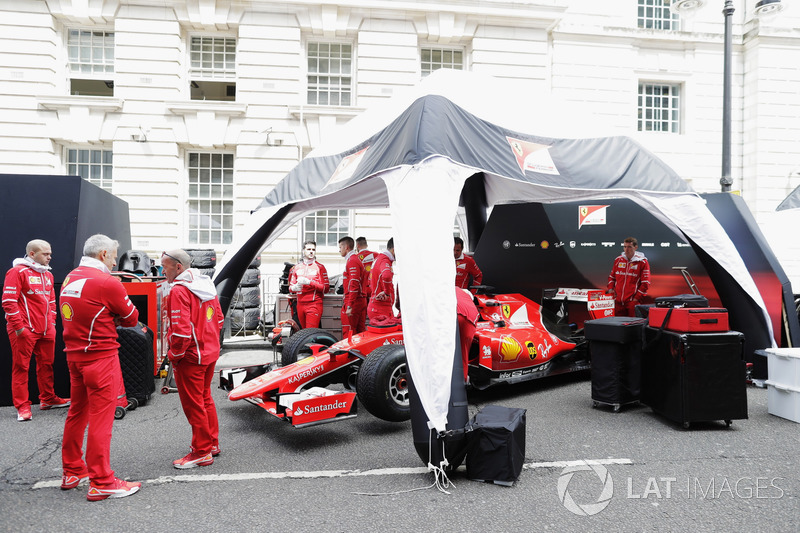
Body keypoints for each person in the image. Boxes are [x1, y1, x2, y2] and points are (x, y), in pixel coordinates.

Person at [59, 234, 141, 500]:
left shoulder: (71, 276)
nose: (116, 260)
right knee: (101, 419)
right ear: (104, 254)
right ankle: (102, 481)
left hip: (74, 355)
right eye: (115, 255)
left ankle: (72, 471)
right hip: (100, 357)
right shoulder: (108, 282)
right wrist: (113, 317)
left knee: (77, 413)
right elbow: (132, 318)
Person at [161, 249, 224, 469]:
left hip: (190, 356)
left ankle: (201, 452)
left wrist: (173, 355)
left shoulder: (179, 290)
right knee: (205, 399)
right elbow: (219, 319)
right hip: (209, 352)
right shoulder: (205, 283)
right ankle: (211, 444)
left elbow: (180, 332)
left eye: (165, 266)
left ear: (178, 267)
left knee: (194, 404)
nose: (161, 270)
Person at [3, 239, 69, 421]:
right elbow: (8, 302)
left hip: (46, 330)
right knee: (21, 368)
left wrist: (52, 324)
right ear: (32, 254)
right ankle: (22, 407)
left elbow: (52, 302)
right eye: (45, 254)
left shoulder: (48, 275)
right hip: (23, 329)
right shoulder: (17, 272)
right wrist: (19, 328)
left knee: (46, 365)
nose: (50, 257)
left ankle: (47, 399)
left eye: (50, 253)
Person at [288, 241, 329, 329]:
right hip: (300, 304)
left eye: (313, 249)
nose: (311, 251)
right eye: (308, 249)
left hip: (314, 304)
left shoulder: (320, 267)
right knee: (304, 333)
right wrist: (294, 288)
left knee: (310, 333)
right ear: (303, 251)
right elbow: (290, 287)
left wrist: (310, 282)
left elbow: (325, 288)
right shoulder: (297, 267)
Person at [606, 237, 651, 317]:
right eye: (625, 247)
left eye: (629, 247)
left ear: (635, 247)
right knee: (617, 326)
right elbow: (612, 277)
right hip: (617, 302)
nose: (626, 250)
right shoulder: (618, 260)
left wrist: (636, 299)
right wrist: (610, 290)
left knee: (632, 327)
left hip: (632, 303)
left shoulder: (642, 262)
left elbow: (645, 283)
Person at [338, 236, 368, 336]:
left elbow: (354, 283)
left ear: (346, 247)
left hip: (354, 301)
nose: (339, 250)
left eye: (340, 248)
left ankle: (349, 352)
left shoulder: (352, 260)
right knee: (360, 333)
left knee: (349, 333)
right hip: (359, 300)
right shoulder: (354, 259)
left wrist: (350, 305)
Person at [367, 238, 398, 324]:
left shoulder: (378, 258)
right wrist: (387, 292)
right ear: (394, 250)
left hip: (376, 306)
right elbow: (387, 275)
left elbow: (370, 281)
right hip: (381, 308)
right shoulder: (384, 260)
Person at [456, 287, 480, 384]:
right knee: (463, 352)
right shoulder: (470, 304)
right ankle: (463, 381)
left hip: (448, 312)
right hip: (469, 317)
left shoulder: (454, 288)